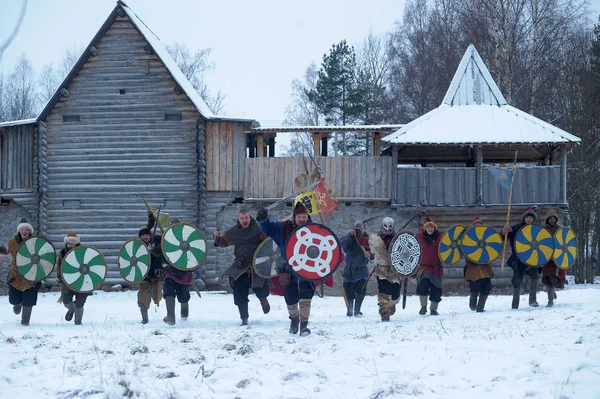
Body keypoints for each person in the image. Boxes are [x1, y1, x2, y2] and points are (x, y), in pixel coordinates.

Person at [256, 202, 315, 336]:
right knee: (290, 297)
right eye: (299, 217)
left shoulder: (315, 230)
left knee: (306, 295)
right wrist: (263, 218)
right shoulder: (284, 227)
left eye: (304, 216)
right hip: (290, 271)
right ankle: (294, 320)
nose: (302, 219)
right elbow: (268, 229)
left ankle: (304, 325)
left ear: (307, 217)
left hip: (308, 270)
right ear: (294, 217)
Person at [214, 208, 270, 326]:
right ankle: (244, 317)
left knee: (259, 287)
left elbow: (268, 241)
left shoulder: (258, 229)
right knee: (239, 288)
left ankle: (263, 299)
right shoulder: (233, 232)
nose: (245, 220)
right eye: (242, 218)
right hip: (241, 265)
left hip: (257, 264)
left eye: (246, 218)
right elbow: (224, 242)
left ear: (250, 218)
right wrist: (218, 238)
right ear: (238, 219)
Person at [1, 219, 41, 326]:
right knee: (14, 299)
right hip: (16, 275)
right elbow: (6, 253)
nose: (24, 232)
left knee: (29, 299)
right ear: (19, 231)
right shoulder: (12, 242)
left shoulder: (35, 242)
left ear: (29, 231)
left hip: (32, 275)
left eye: (26, 230)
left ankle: (25, 322)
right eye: (22, 230)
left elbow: (42, 255)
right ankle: (17, 304)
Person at [501, 207, 540, 309]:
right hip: (518, 259)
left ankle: (532, 300)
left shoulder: (537, 230)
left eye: (530, 217)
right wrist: (504, 231)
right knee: (516, 281)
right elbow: (504, 236)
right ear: (524, 218)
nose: (528, 219)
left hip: (532, 259)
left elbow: (543, 244)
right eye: (527, 217)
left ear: (533, 219)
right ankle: (515, 304)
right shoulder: (516, 228)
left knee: (534, 277)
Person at [159, 217, 194, 326]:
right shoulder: (167, 241)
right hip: (170, 272)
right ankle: (171, 317)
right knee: (168, 289)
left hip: (184, 273)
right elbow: (161, 252)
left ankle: (184, 314)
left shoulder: (187, 240)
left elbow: (194, 256)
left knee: (183, 295)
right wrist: (153, 249)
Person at [369, 217, 402, 322]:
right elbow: (363, 241)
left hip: (395, 270)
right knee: (383, 291)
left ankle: (390, 305)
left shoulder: (398, 238)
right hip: (382, 270)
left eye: (390, 226)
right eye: (386, 226)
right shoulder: (376, 239)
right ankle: (384, 312)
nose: (388, 228)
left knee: (395, 293)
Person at [137, 211, 166, 324]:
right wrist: (151, 220)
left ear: (150, 235)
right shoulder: (138, 246)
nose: (145, 236)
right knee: (143, 296)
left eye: (147, 234)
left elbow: (167, 238)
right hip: (144, 274)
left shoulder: (157, 241)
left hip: (157, 274)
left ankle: (157, 300)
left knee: (157, 297)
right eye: (143, 235)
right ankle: (145, 318)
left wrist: (154, 248)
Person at [340, 221, 372, 317]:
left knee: (361, 291)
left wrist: (370, 254)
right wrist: (350, 235)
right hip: (349, 268)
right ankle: (349, 309)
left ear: (364, 229)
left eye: (361, 229)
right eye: (357, 229)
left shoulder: (369, 239)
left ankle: (357, 310)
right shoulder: (349, 238)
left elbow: (375, 252)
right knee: (348, 291)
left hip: (361, 269)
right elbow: (343, 246)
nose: (359, 231)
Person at [56, 232, 90, 324]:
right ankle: (71, 309)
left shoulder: (84, 252)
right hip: (67, 281)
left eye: (72, 244)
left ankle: (78, 322)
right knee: (66, 300)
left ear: (76, 243)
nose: (70, 245)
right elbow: (60, 265)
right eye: (69, 243)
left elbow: (90, 265)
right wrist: (59, 276)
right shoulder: (63, 252)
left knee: (80, 302)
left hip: (82, 280)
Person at [464, 217, 494, 313]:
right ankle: (473, 305)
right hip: (473, 267)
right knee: (475, 287)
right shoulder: (469, 238)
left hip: (485, 267)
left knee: (486, 287)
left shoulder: (486, 238)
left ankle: (480, 308)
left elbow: (492, 249)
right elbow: (466, 251)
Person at [415, 217, 443, 316]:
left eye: (432, 227)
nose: (430, 229)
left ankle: (433, 309)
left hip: (436, 268)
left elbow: (448, 246)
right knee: (423, 287)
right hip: (424, 268)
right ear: (425, 228)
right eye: (428, 227)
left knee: (436, 290)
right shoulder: (419, 236)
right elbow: (409, 240)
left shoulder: (440, 237)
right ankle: (423, 307)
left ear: (434, 228)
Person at [540, 209, 565, 307]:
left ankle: (552, 292)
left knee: (558, 281)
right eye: (550, 218)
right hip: (547, 258)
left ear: (556, 219)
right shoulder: (543, 230)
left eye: (554, 218)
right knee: (549, 279)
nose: (552, 220)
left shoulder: (560, 229)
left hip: (557, 258)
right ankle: (550, 300)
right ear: (547, 219)